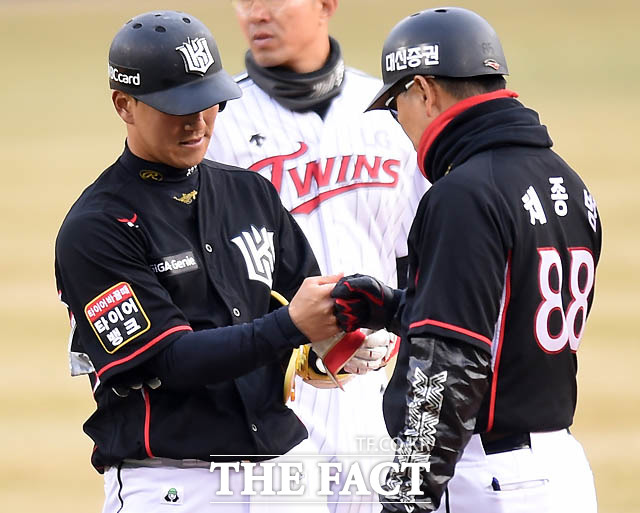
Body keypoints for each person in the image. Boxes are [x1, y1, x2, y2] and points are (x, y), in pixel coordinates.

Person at [55, 10, 345, 512]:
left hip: (285, 473)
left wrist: (351, 332)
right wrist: (292, 327)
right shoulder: (97, 228)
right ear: (124, 105)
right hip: (175, 486)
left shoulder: (250, 192)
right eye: (177, 105)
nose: (197, 120)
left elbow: (310, 300)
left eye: (208, 101)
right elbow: (170, 360)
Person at [331, 7, 600, 513]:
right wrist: (395, 307)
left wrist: (408, 494)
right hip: (560, 471)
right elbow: (504, 317)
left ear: (426, 90)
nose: (399, 121)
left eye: (397, 104)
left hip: (486, 478)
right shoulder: (566, 180)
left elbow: (448, 367)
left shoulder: (463, 193)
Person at [206, 2, 428, 510]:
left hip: (377, 391)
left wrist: (399, 326)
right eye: (245, 0)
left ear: (326, 5)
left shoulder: (391, 114)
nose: (255, 14)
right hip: (273, 398)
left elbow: (425, 253)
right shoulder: (218, 124)